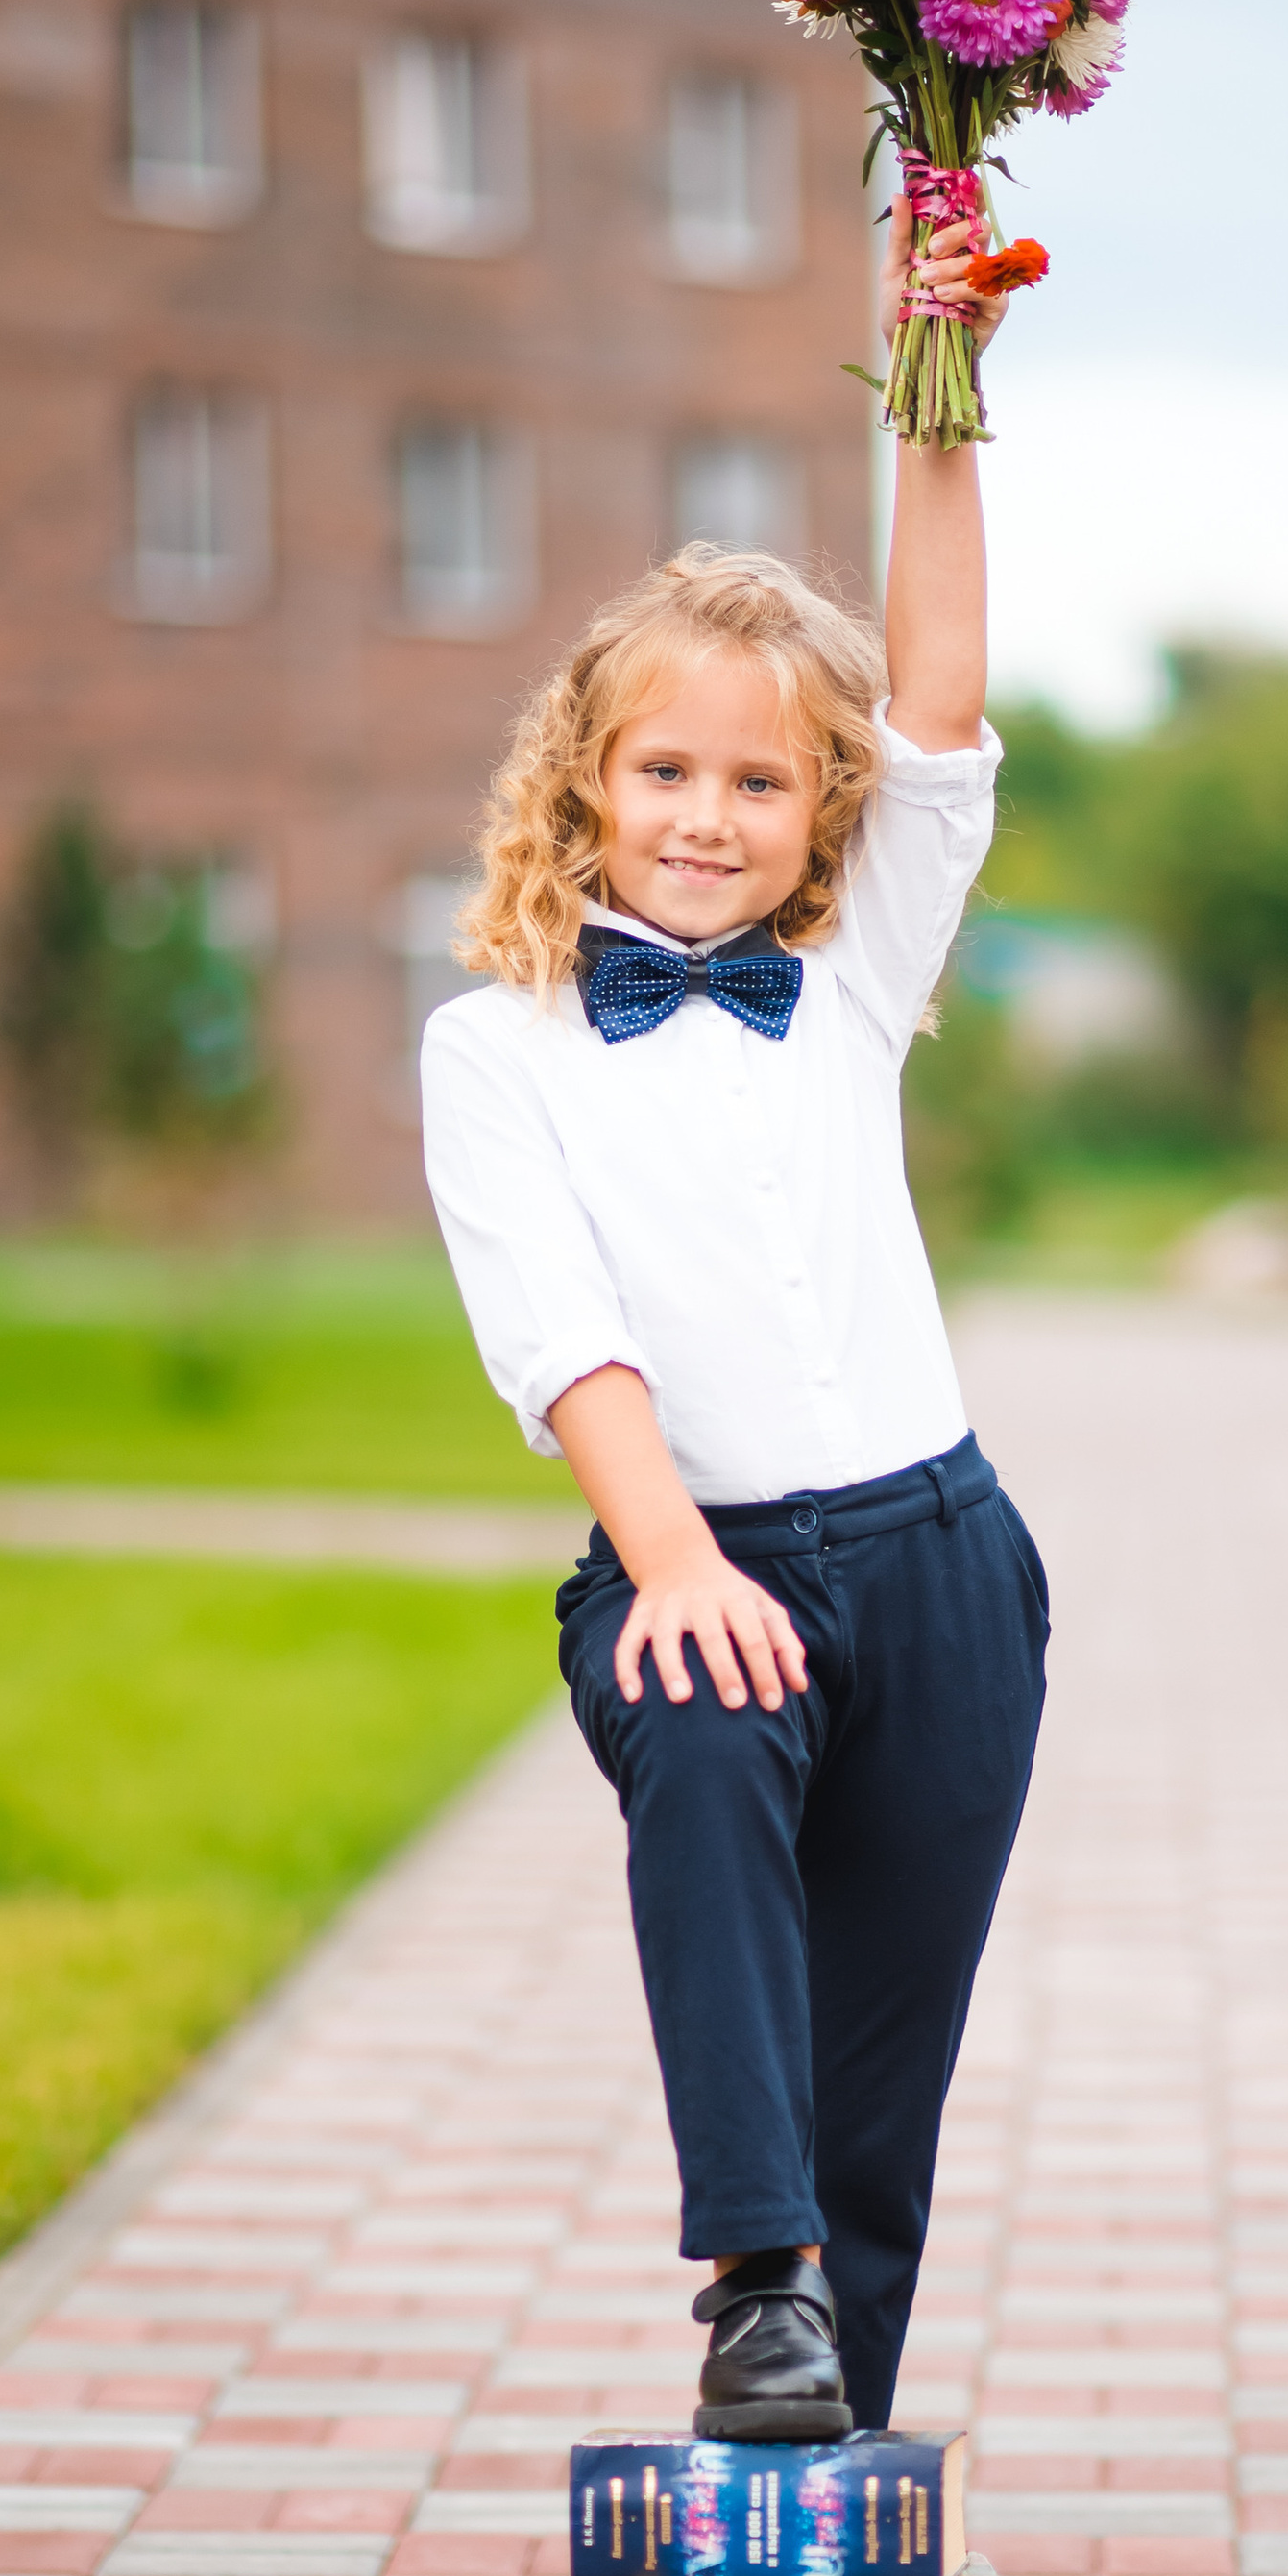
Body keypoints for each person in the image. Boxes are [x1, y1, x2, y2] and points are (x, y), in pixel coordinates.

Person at [419, 200, 1049, 2442]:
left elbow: (945, 701)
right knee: (693, 1736)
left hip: (944, 1567)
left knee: (885, 2063)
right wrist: (673, 1562)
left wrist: (933, 381)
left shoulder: (856, 973)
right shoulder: (498, 1047)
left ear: (819, 821)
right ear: (588, 777)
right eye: (665, 771)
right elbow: (558, 1333)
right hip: (695, 1550)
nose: (706, 817)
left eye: (760, 782)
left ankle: (807, 2484)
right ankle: (749, 2279)